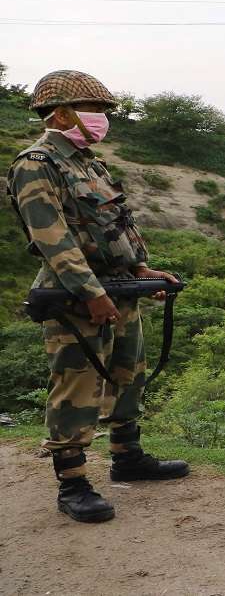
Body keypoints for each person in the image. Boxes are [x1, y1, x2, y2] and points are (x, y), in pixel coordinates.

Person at [5, 70, 189, 524]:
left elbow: (116, 222)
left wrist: (141, 267)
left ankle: (129, 457)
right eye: (95, 111)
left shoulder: (89, 162)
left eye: (104, 111)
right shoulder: (37, 163)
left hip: (118, 287)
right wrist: (90, 293)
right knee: (77, 386)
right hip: (74, 297)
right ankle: (73, 484)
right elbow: (53, 237)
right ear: (62, 113)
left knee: (128, 372)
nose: (103, 119)